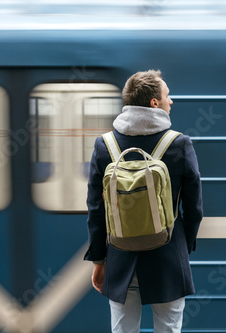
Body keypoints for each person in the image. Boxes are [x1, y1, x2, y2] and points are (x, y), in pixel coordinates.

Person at [83, 69, 203, 333]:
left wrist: (99, 261)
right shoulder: (179, 144)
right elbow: (194, 208)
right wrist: (185, 244)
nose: (171, 102)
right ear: (154, 103)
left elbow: (96, 209)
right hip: (168, 256)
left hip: (121, 257)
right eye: (167, 96)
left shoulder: (105, 146)